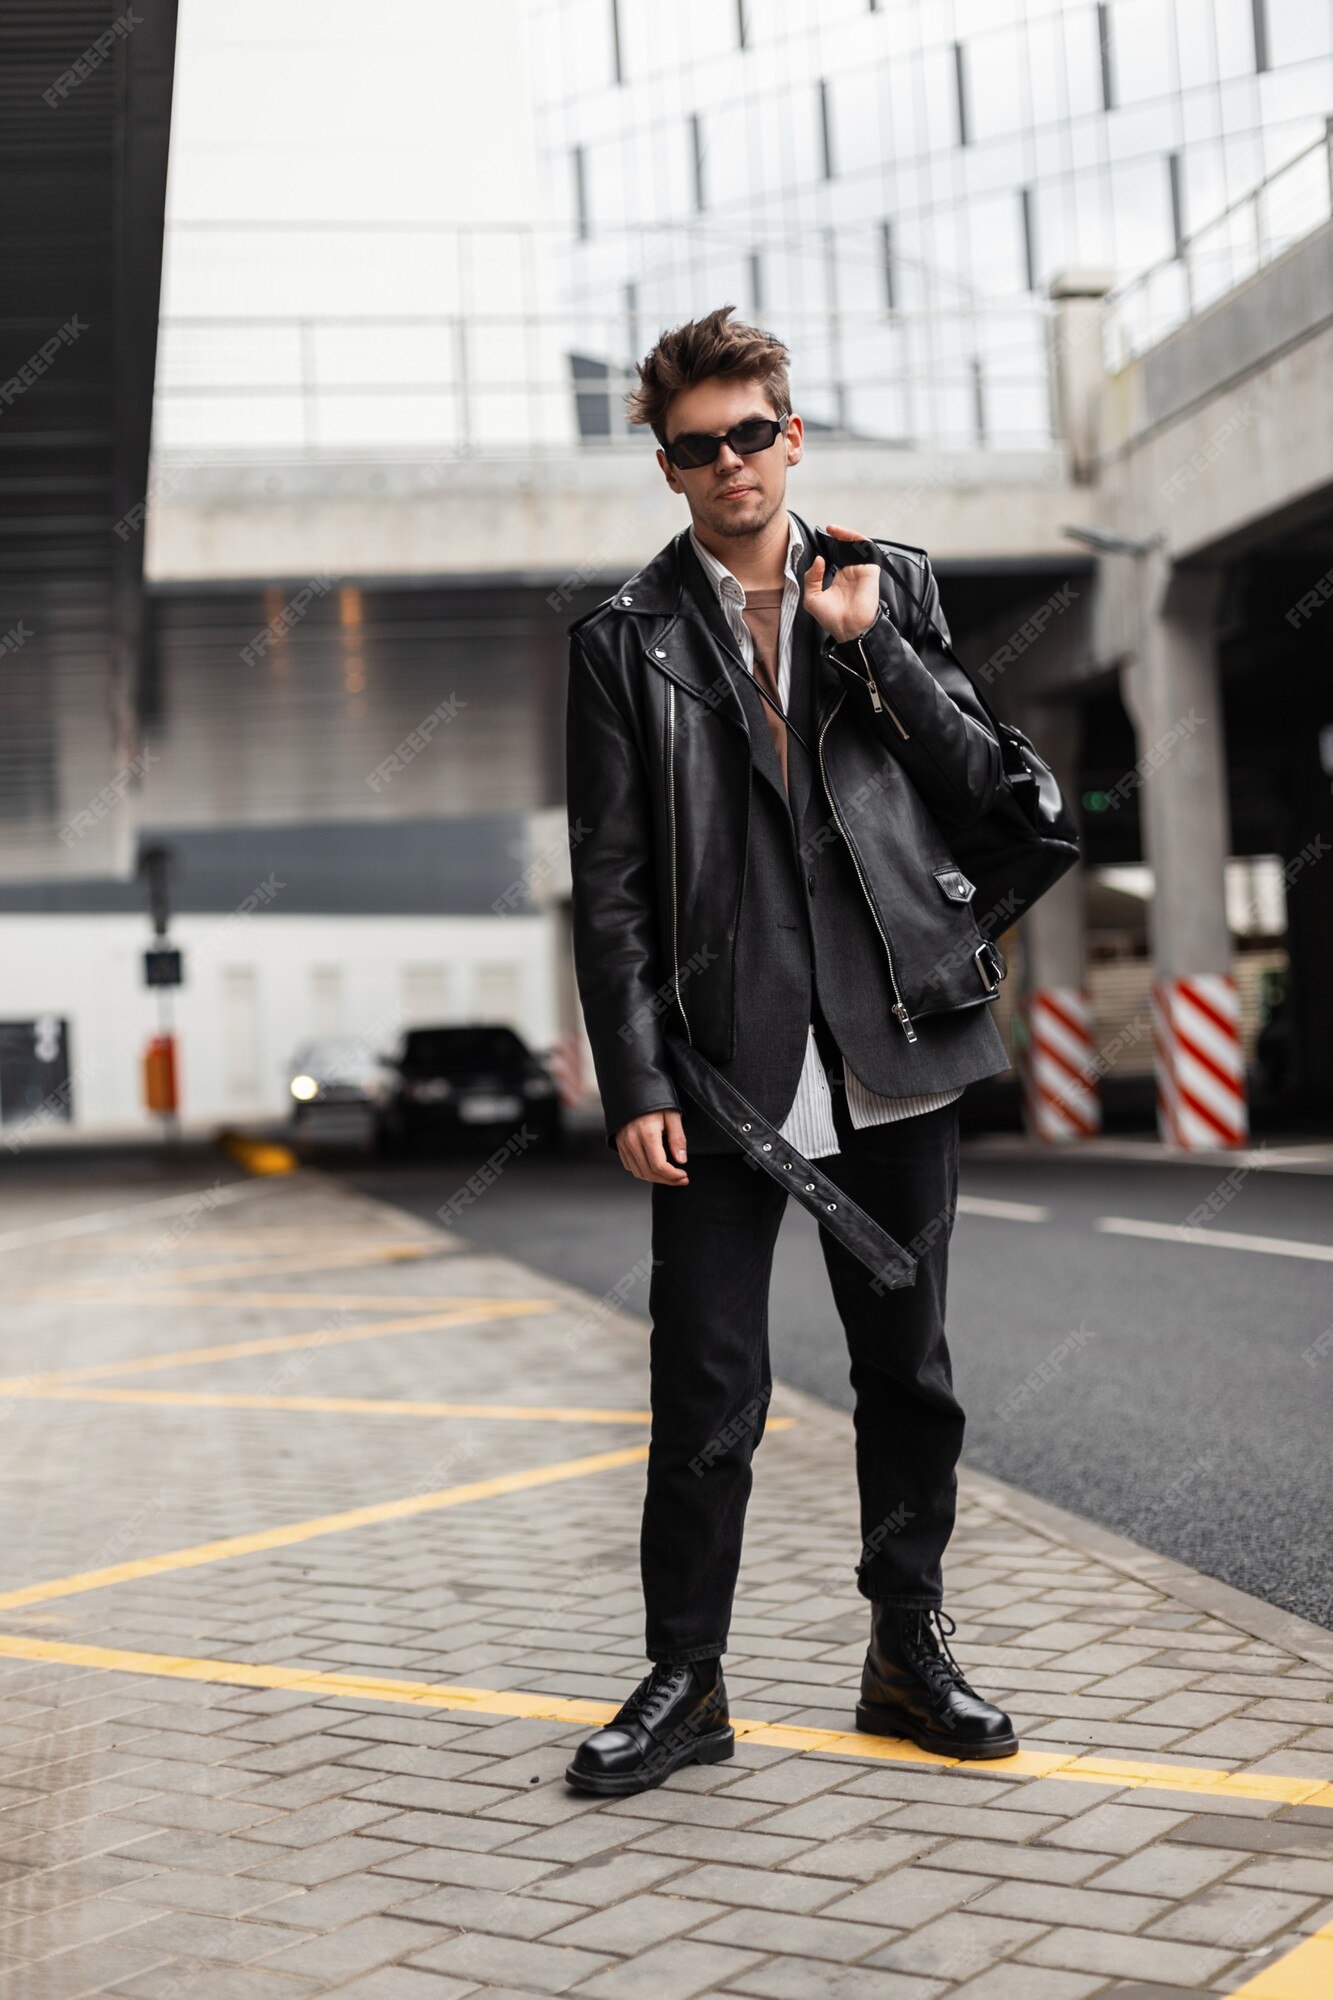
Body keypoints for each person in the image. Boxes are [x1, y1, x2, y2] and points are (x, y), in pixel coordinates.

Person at [562, 306, 1018, 1796]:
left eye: (749, 434)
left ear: (790, 434)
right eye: (696, 448)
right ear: (667, 467)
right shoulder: (621, 643)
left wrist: (867, 643)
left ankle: (905, 1650)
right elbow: (614, 882)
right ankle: (686, 1680)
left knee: (911, 1371)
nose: (728, 465)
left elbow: (985, 796)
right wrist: (632, 1077)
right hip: (715, 1069)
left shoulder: (889, 587)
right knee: (703, 1390)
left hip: (890, 1042)